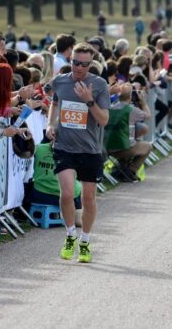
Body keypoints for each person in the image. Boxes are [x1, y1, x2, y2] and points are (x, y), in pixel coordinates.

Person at [46, 43, 110, 263]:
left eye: (84, 64)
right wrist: (50, 123)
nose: (79, 67)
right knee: (66, 193)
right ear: (70, 60)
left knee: (88, 198)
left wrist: (89, 101)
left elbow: (104, 120)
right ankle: (70, 234)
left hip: (89, 149)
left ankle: (85, 240)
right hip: (64, 146)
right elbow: (54, 103)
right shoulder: (60, 81)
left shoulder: (99, 84)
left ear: (90, 64)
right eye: (75, 62)